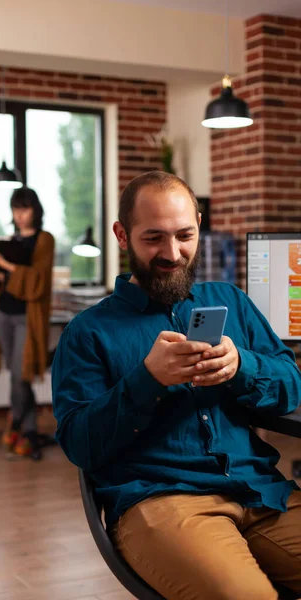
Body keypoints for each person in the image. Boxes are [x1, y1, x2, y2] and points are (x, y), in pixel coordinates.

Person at [52, 171, 301, 600]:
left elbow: (292, 386)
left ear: (199, 225)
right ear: (122, 235)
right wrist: (147, 380)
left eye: (184, 235)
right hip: (160, 502)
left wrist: (242, 364)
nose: (172, 253)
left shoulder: (232, 301)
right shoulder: (88, 333)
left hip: (261, 491)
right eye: (153, 239)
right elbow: (80, 444)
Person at [0, 186, 54, 461]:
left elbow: (37, 282)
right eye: (16, 209)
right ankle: (28, 433)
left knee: (20, 374)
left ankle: (14, 422)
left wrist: (5, 264)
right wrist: (0, 272)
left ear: (35, 210)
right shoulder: (11, 240)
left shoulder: (44, 240)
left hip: (28, 316)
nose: (20, 215)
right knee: (17, 375)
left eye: (25, 209)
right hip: (5, 313)